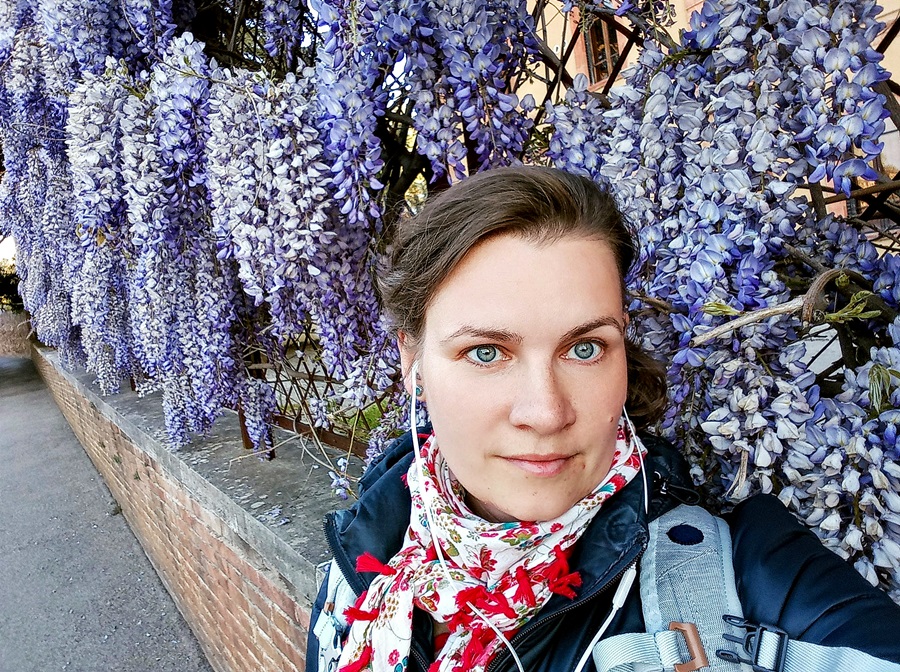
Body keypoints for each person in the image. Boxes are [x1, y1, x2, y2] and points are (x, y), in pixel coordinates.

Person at [306, 166, 900, 672]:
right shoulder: (358, 568)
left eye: (584, 347)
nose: (545, 412)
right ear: (414, 361)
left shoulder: (741, 574)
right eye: (486, 352)